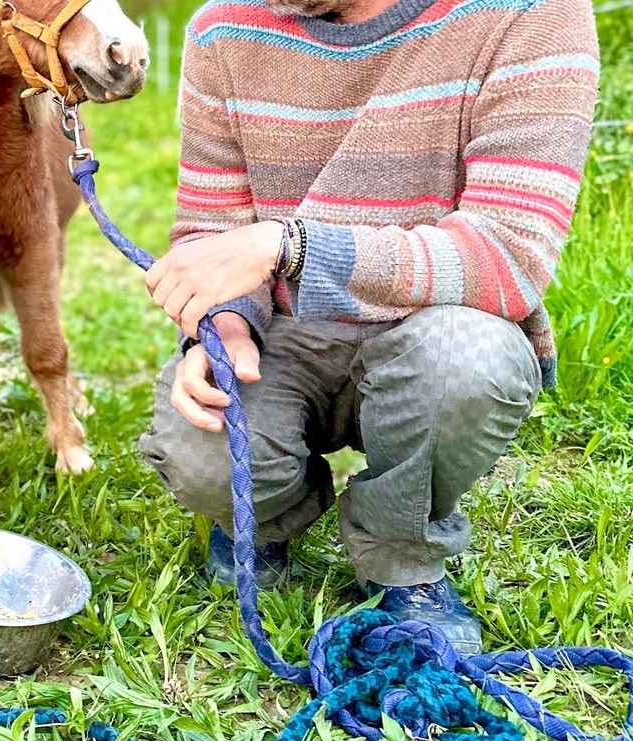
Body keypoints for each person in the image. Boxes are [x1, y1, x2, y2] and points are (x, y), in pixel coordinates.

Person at [136, 0, 599, 652]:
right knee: (201, 445)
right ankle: (264, 517)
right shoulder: (224, 28)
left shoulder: (527, 13)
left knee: (463, 365)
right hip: (290, 334)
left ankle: (400, 550)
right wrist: (223, 327)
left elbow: (509, 255)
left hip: (440, 323)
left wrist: (293, 247)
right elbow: (215, 232)